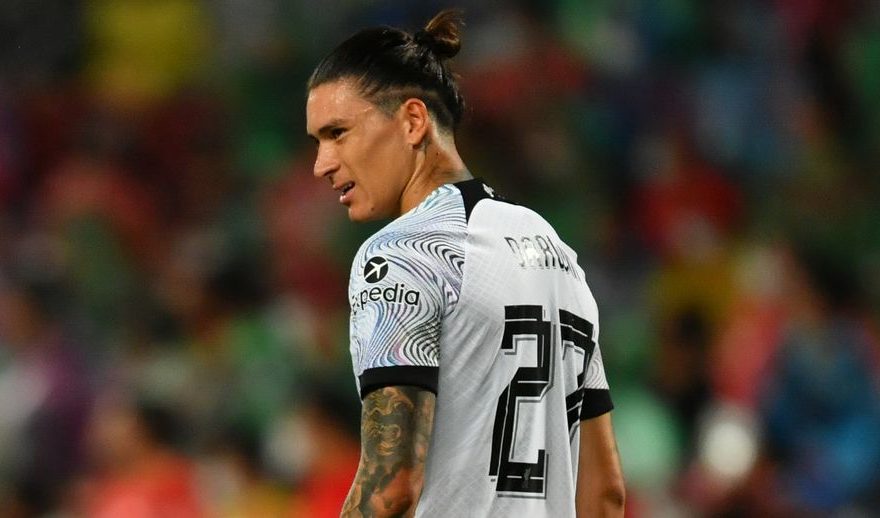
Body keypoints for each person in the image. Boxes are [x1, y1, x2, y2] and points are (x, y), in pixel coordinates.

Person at [305, 9, 625, 517]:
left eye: (337, 132)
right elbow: (605, 494)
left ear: (413, 121)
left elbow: (392, 486)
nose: (321, 164)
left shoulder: (402, 254)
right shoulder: (558, 255)